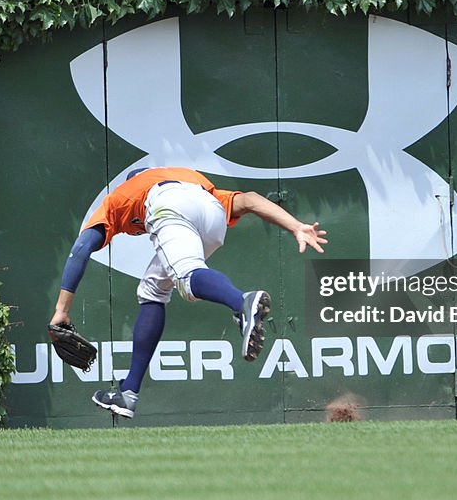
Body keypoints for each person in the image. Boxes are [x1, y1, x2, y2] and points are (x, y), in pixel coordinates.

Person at [49, 166, 328, 418]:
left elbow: (81, 249)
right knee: (152, 290)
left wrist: (62, 310)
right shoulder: (191, 180)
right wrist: (295, 226)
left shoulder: (121, 197)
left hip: (168, 204)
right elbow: (251, 199)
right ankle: (128, 392)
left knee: (185, 275)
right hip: (211, 213)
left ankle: (242, 302)